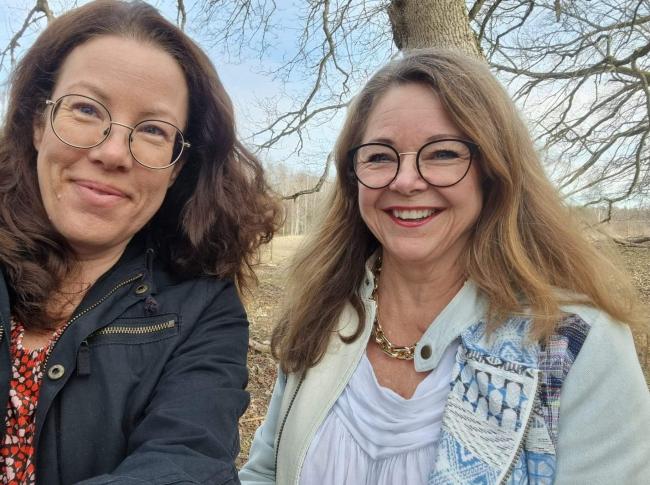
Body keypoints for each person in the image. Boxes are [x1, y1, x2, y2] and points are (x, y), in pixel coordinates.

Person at [240, 49, 650, 485]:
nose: (406, 180)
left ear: (494, 171)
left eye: (442, 154)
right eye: (379, 156)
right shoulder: (320, 314)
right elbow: (266, 472)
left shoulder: (574, 344)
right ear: (353, 176)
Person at [0, 0, 281, 483]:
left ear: (176, 167)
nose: (112, 152)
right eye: (86, 109)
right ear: (37, 124)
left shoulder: (204, 310)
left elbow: (185, 462)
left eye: (152, 130)